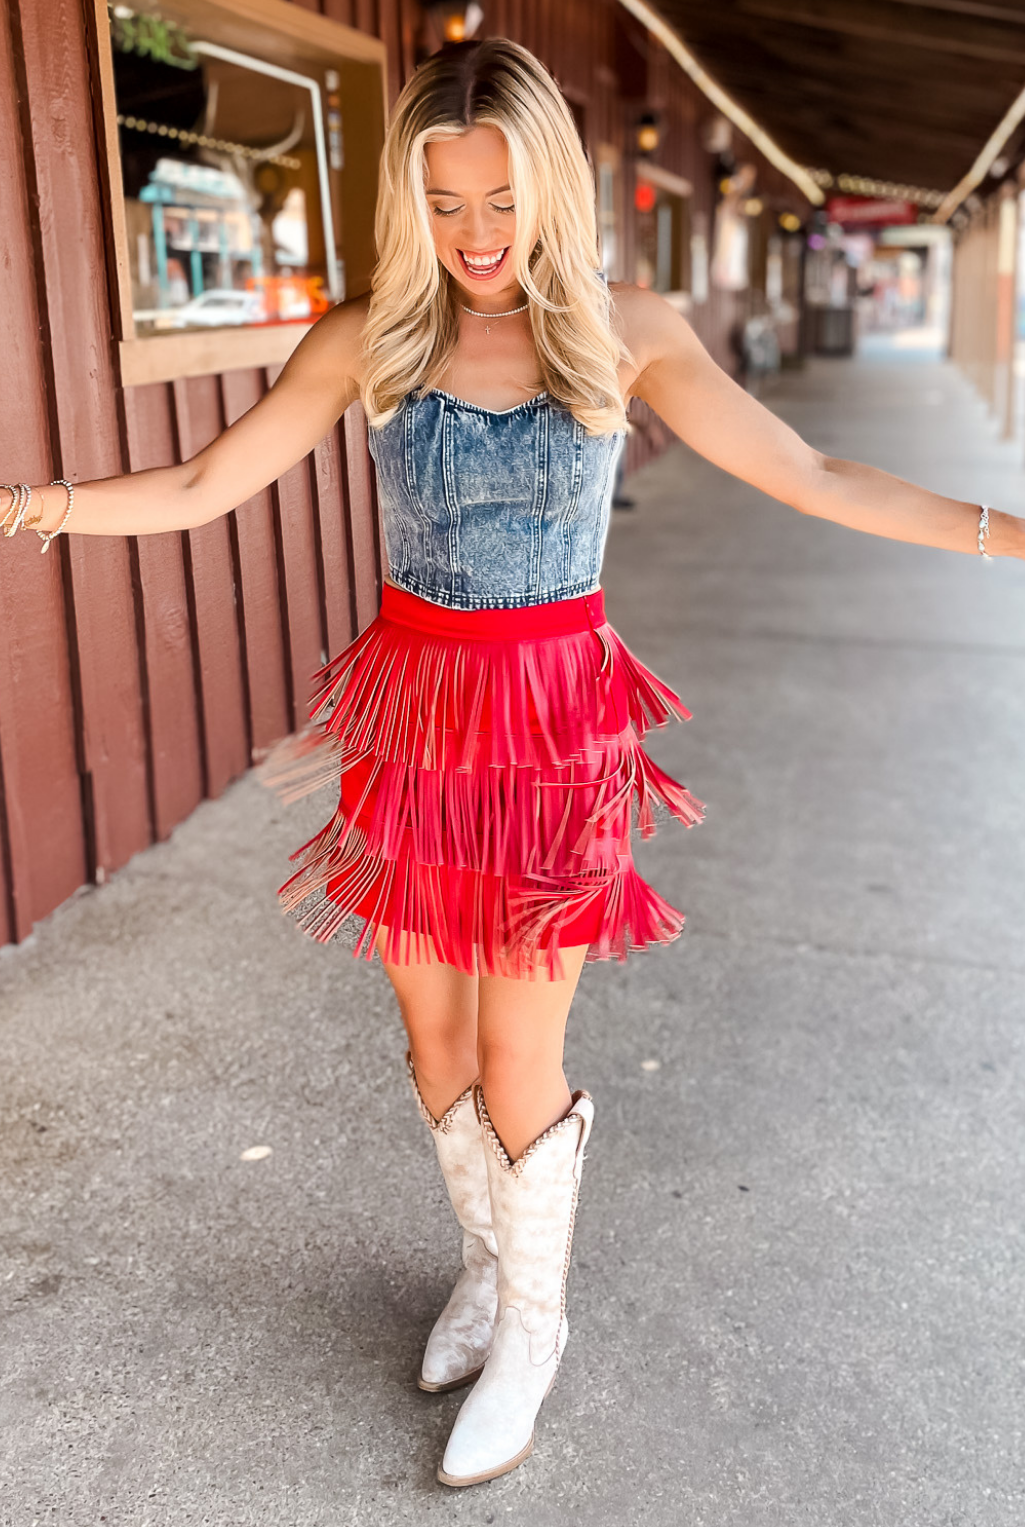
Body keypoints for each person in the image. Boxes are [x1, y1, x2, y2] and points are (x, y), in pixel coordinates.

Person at [3, 35, 1021, 1491]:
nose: (476, 238)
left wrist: (1009, 532)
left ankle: (534, 1324)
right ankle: (484, 1269)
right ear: (406, 202)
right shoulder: (371, 337)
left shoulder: (631, 329)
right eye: (444, 203)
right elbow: (196, 482)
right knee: (430, 1036)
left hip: (555, 728)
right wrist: (28, 503)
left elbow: (813, 474)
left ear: (553, 189)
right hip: (412, 721)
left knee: (513, 1047)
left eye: (501, 203)